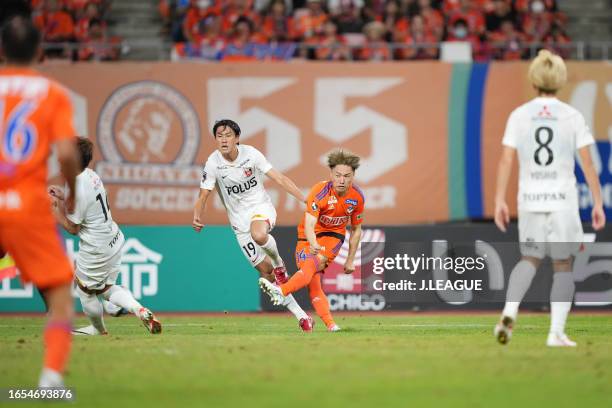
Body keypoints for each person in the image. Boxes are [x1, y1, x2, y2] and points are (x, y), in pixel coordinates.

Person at [493, 50, 605, 347]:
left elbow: (506, 159)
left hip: (530, 198)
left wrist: (499, 200)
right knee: (563, 264)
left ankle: (509, 311)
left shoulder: (519, 114)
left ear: (534, 79)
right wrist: (596, 201)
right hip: (562, 200)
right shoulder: (571, 115)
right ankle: (556, 333)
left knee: (528, 258)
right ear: (560, 79)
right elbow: (588, 163)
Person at [0, 16, 79, 388]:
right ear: (39, 51)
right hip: (27, 205)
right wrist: (72, 193)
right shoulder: (50, 93)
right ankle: (49, 381)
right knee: (61, 294)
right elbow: (65, 153)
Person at [193, 119, 314, 331]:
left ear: (237, 138)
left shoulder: (251, 154)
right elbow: (204, 193)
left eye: (228, 135)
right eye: (219, 136)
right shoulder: (213, 163)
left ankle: (279, 264)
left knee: (259, 235)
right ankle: (302, 317)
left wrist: (304, 199)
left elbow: (279, 178)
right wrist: (197, 215)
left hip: (261, 208)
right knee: (265, 273)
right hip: (238, 223)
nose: (224, 139)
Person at [49, 137, 162, 336]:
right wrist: (63, 196)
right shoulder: (90, 175)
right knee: (105, 289)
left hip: (96, 248)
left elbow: (73, 228)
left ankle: (98, 330)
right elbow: (86, 203)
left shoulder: (76, 187)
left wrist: (56, 213)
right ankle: (139, 310)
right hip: (114, 239)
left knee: (84, 290)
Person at [260, 149, 364, 332]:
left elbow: (356, 229)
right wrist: (314, 242)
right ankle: (331, 325)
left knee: (318, 261)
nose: (342, 180)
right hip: (307, 237)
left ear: (353, 175)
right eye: (338, 175)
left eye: (347, 176)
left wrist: (350, 259)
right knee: (313, 281)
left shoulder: (357, 198)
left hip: (333, 237)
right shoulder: (319, 192)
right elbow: (309, 223)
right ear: (331, 174)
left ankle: (281, 291)